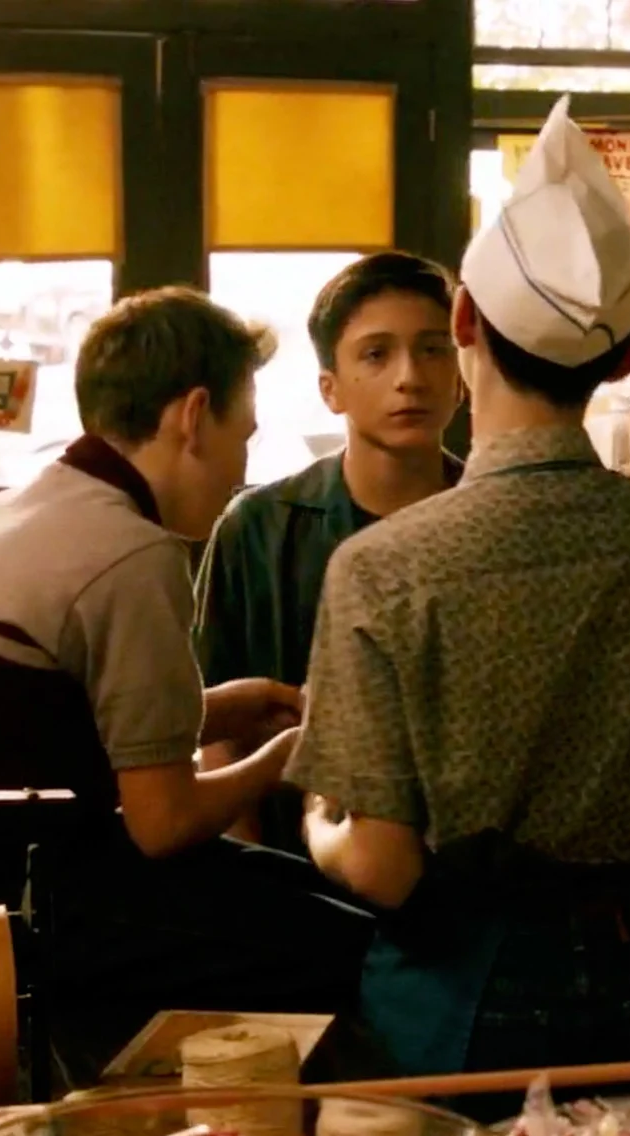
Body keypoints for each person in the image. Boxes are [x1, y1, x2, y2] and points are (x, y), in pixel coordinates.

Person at [288, 97, 630, 1081]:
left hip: (456, 981)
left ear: (461, 322)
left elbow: (384, 867)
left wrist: (320, 820)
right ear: (627, 357)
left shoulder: (384, 566)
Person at [0, 287, 373, 1081]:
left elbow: (53, 716)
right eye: (244, 435)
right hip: (7, 896)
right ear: (193, 416)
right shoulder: (133, 550)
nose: (243, 468)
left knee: (312, 896)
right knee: (350, 940)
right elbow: (163, 823)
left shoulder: (38, 502)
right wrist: (288, 755)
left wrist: (223, 709)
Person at [194, 252, 464, 851]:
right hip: (292, 866)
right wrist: (253, 871)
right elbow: (219, 732)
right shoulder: (260, 526)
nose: (409, 377)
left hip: (464, 867)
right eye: (376, 354)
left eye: (432, 349)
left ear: (461, 374)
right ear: (330, 388)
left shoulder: (497, 520)